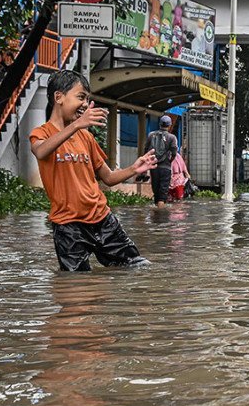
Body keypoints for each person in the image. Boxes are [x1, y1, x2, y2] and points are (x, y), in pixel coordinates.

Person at [30, 70, 156, 272]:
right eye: (80, 97)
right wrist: (78, 125)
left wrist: (133, 168)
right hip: (67, 226)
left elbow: (108, 178)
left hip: (102, 218)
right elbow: (41, 151)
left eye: (87, 99)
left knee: (137, 267)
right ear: (58, 97)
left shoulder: (86, 138)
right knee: (76, 282)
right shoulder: (41, 133)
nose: (84, 104)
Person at [147, 115, 178, 208]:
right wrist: (169, 161)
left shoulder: (151, 135)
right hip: (166, 167)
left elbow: (146, 150)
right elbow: (174, 152)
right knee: (163, 193)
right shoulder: (172, 137)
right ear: (169, 125)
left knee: (156, 192)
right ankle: (161, 217)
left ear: (160, 124)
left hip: (154, 167)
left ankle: (155, 217)